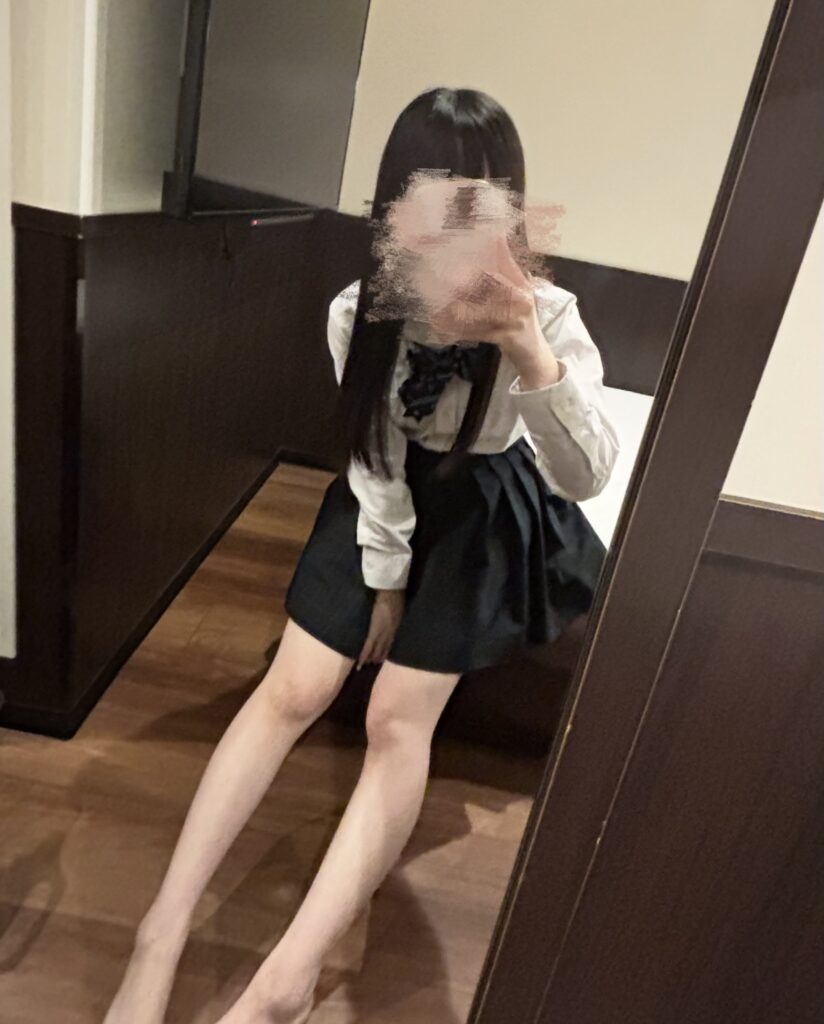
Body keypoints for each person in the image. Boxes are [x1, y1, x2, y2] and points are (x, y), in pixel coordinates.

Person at [103, 87, 620, 1024]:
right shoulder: (361, 308)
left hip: (484, 507)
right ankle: (159, 931)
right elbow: (376, 454)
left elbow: (586, 474)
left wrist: (525, 347)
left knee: (395, 720)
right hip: (383, 491)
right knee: (293, 688)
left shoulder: (547, 312)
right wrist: (384, 579)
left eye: (481, 203)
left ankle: (286, 980)